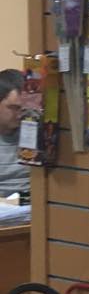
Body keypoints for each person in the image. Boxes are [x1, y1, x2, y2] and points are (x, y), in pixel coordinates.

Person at [0, 70, 30, 200]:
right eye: (13, 108)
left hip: (31, 206)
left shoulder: (35, 134)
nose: (20, 115)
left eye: (23, 108)